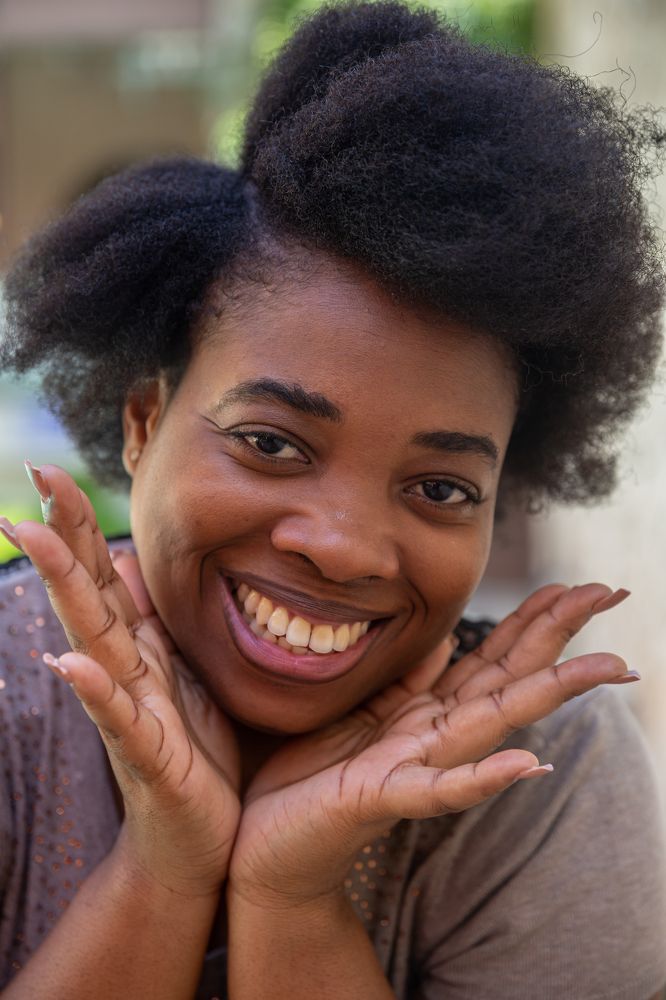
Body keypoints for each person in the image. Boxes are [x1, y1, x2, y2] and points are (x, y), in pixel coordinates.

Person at [0, 2, 665, 997]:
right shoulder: (11, 705)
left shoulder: (541, 773)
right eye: (271, 443)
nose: (345, 546)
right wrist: (162, 873)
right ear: (143, 421)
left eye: (440, 487)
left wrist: (291, 896)